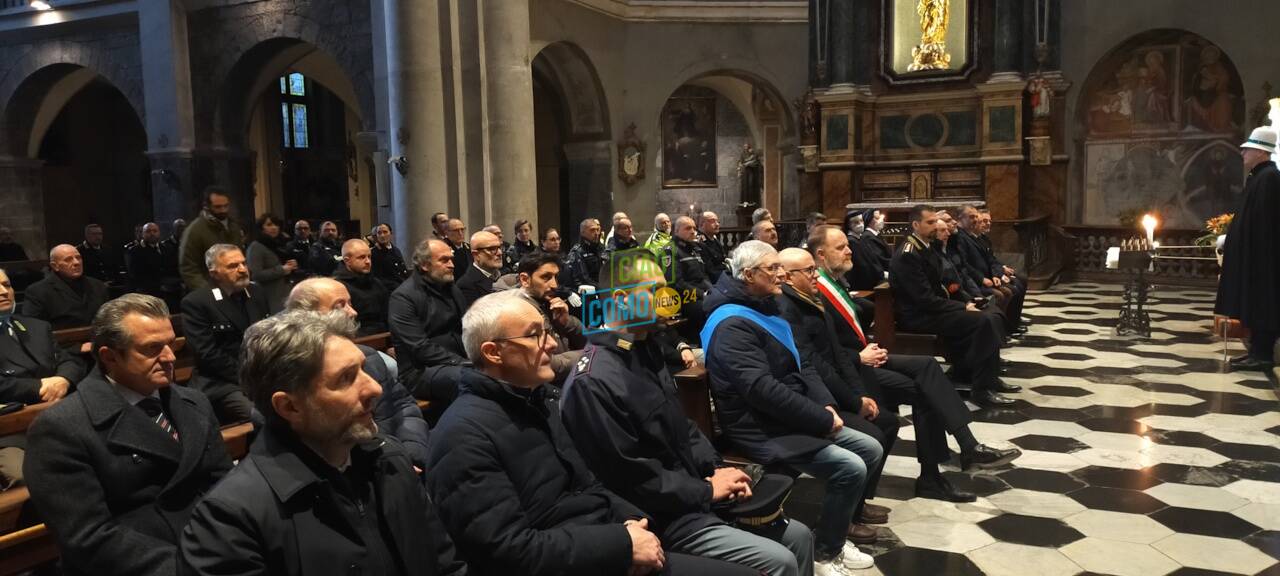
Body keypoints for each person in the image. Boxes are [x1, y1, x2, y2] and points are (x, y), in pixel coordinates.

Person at [426, 290, 755, 576]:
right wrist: (620, 546)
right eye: (535, 334)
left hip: (608, 542)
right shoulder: (461, 437)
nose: (552, 342)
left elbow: (593, 485)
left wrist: (634, 527)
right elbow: (506, 551)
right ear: (493, 352)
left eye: (547, 330)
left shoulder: (541, 401)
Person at [562, 253, 815, 576]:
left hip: (691, 492)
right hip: (660, 517)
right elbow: (633, 480)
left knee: (800, 537)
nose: (666, 300)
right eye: (654, 292)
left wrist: (720, 471)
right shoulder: (594, 381)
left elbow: (683, 429)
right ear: (624, 300)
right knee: (779, 560)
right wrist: (708, 490)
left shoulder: (644, 347)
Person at [181, 310, 466, 576]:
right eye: (346, 378)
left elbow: (445, 565)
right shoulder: (229, 522)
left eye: (363, 369)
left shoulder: (390, 459)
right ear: (290, 407)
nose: (375, 388)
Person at [701, 240, 880, 572]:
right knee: (851, 466)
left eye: (781, 267)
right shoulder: (731, 323)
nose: (781, 274)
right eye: (773, 268)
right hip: (759, 426)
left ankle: (835, 532)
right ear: (749, 274)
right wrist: (820, 420)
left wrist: (826, 405)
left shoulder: (766, 304)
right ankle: (826, 552)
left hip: (788, 415)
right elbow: (762, 390)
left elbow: (804, 365)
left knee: (869, 448)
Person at [26, 294, 232, 576]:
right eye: (152, 348)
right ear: (109, 357)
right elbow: (89, 538)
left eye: (171, 344)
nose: (170, 357)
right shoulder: (61, 428)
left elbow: (222, 485)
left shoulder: (194, 402)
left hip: (215, 549)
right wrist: (185, 569)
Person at [804, 229, 1020, 491]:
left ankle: (968, 445)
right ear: (821, 254)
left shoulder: (833, 282)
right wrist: (858, 356)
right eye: (841, 247)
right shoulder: (817, 290)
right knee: (924, 393)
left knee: (928, 366)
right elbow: (815, 350)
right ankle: (933, 477)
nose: (849, 251)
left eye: (848, 245)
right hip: (850, 368)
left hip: (862, 358)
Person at [774, 247, 896, 539]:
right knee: (874, 435)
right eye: (808, 270)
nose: (815, 274)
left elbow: (838, 354)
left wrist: (857, 395)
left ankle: (857, 503)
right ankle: (843, 521)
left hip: (830, 388)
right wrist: (850, 402)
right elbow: (812, 362)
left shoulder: (811, 298)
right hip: (814, 396)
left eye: (814, 269)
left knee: (887, 422)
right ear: (789, 277)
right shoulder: (787, 308)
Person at [284, 278, 432, 468]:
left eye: (350, 303)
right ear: (306, 316)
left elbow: (404, 405)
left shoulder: (368, 356)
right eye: (340, 306)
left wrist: (410, 450)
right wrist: (392, 458)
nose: (353, 312)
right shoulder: (291, 373)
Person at [890, 206, 1015, 407]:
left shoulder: (926, 246)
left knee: (991, 313)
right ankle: (981, 390)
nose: (934, 226)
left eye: (934, 222)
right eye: (929, 223)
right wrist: (961, 307)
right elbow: (924, 299)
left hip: (933, 309)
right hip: (918, 316)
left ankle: (981, 376)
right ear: (915, 225)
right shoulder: (909, 253)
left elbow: (943, 284)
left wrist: (964, 301)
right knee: (982, 321)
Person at [181, 244, 270, 424]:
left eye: (243, 263)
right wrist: (248, 378)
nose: (243, 269)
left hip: (260, 375)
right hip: (223, 382)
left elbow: (269, 336)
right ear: (214, 273)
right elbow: (208, 354)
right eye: (232, 266)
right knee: (264, 417)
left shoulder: (256, 292)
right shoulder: (198, 302)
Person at [1216, 126, 1280, 371]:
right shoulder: (1260, 177)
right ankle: (1256, 351)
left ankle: (1262, 355)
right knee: (1254, 303)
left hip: (1262, 259)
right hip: (1253, 256)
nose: (1242, 153)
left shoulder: (1270, 179)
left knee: (1263, 303)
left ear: (1261, 153)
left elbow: (1264, 224)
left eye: (1248, 150)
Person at [389, 238, 467, 422]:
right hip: (420, 372)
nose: (451, 265)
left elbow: (467, 327)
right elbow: (419, 348)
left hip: (456, 362)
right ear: (424, 265)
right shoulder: (403, 297)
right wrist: (463, 362)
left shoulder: (452, 289)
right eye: (444, 260)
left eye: (451, 259)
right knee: (468, 378)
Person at [514, 251, 585, 383]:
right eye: (546, 277)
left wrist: (567, 322)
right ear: (524, 279)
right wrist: (589, 356)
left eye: (555, 277)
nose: (554, 285)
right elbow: (541, 362)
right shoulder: (517, 312)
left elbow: (586, 339)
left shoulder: (547, 301)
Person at [23, 244, 110, 331]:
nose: (76, 262)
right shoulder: (37, 292)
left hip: (99, 341)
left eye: (78, 257)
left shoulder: (98, 285)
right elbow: (35, 330)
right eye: (68, 260)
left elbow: (108, 319)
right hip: (63, 342)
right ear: (55, 266)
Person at [179, 186, 245, 292]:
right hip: (211, 289)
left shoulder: (234, 226)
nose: (223, 210)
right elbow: (188, 268)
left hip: (234, 287)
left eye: (226, 206)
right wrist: (209, 291)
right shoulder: (195, 230)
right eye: (218, 207)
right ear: (207, 207)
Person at [244, 213, 300, 313]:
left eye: (276, 224)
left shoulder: (280, 243)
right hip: (269, 296)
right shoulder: (256, 246)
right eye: (269, 225)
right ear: (262, 228)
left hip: (284, 293)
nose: (274, 228)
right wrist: (282, 269)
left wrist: (292, 265)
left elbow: (282, 264)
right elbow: (255, 275)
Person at [334, 238, 390, 336]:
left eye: (369, 257)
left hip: (384, 336)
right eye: (362, 257)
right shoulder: (338, 287)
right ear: (347, 261)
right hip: (359, 340)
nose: (368, 261)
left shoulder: (376, 283)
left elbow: (388, 314)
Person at [456, 230, 504, 310]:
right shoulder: (466, 285)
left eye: (499, 247)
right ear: (476, 255)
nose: (499, 253)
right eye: (492, 249)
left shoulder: (502, 276)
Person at [847, 209, 890, 291]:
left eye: (861, 221)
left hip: (873, 277)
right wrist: (881, 274)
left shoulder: (859, 239)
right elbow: (863, 265)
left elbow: (871, 260)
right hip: (863, 284)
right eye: (856, 222)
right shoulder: (853, 241)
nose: (860, 224)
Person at [562, 218, 605, 293]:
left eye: (597, 230)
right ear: (583, 232)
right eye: (592, 230)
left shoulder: (601, 248)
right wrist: (603, 288)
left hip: (604, 288)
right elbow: (583, 279)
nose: (596, 233)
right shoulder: (577, 251)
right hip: (589, 293)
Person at [369, 223, 410, 292]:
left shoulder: (396, 250)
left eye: (385, 232)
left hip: (402, 287)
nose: (382, 235)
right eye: (379, 233)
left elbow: (403, 270)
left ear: (391, 234)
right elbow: (377, 277)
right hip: (388, 290)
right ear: (376, 236)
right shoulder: (373, 253)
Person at [699, 211, 728, 281]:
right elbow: (710, 270)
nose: (717, 224)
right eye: (712, 221)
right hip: (713, 279)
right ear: (702, 223)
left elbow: (722, 259)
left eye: (717, 221)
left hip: (722, 273)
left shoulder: (714, 239)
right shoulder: (700, 242)